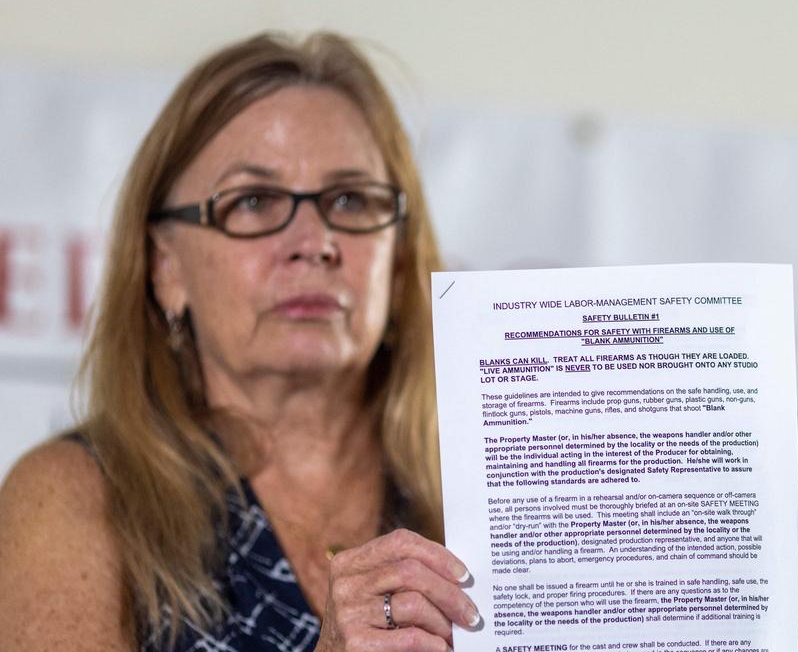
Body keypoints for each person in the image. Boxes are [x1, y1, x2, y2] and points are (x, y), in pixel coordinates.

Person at [0, 32, 477, 651]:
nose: (315, 240)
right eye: (254, 201)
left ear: (396, 260)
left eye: (351, 199)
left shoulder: (478, 493)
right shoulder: (75, 498)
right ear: (166, 268)